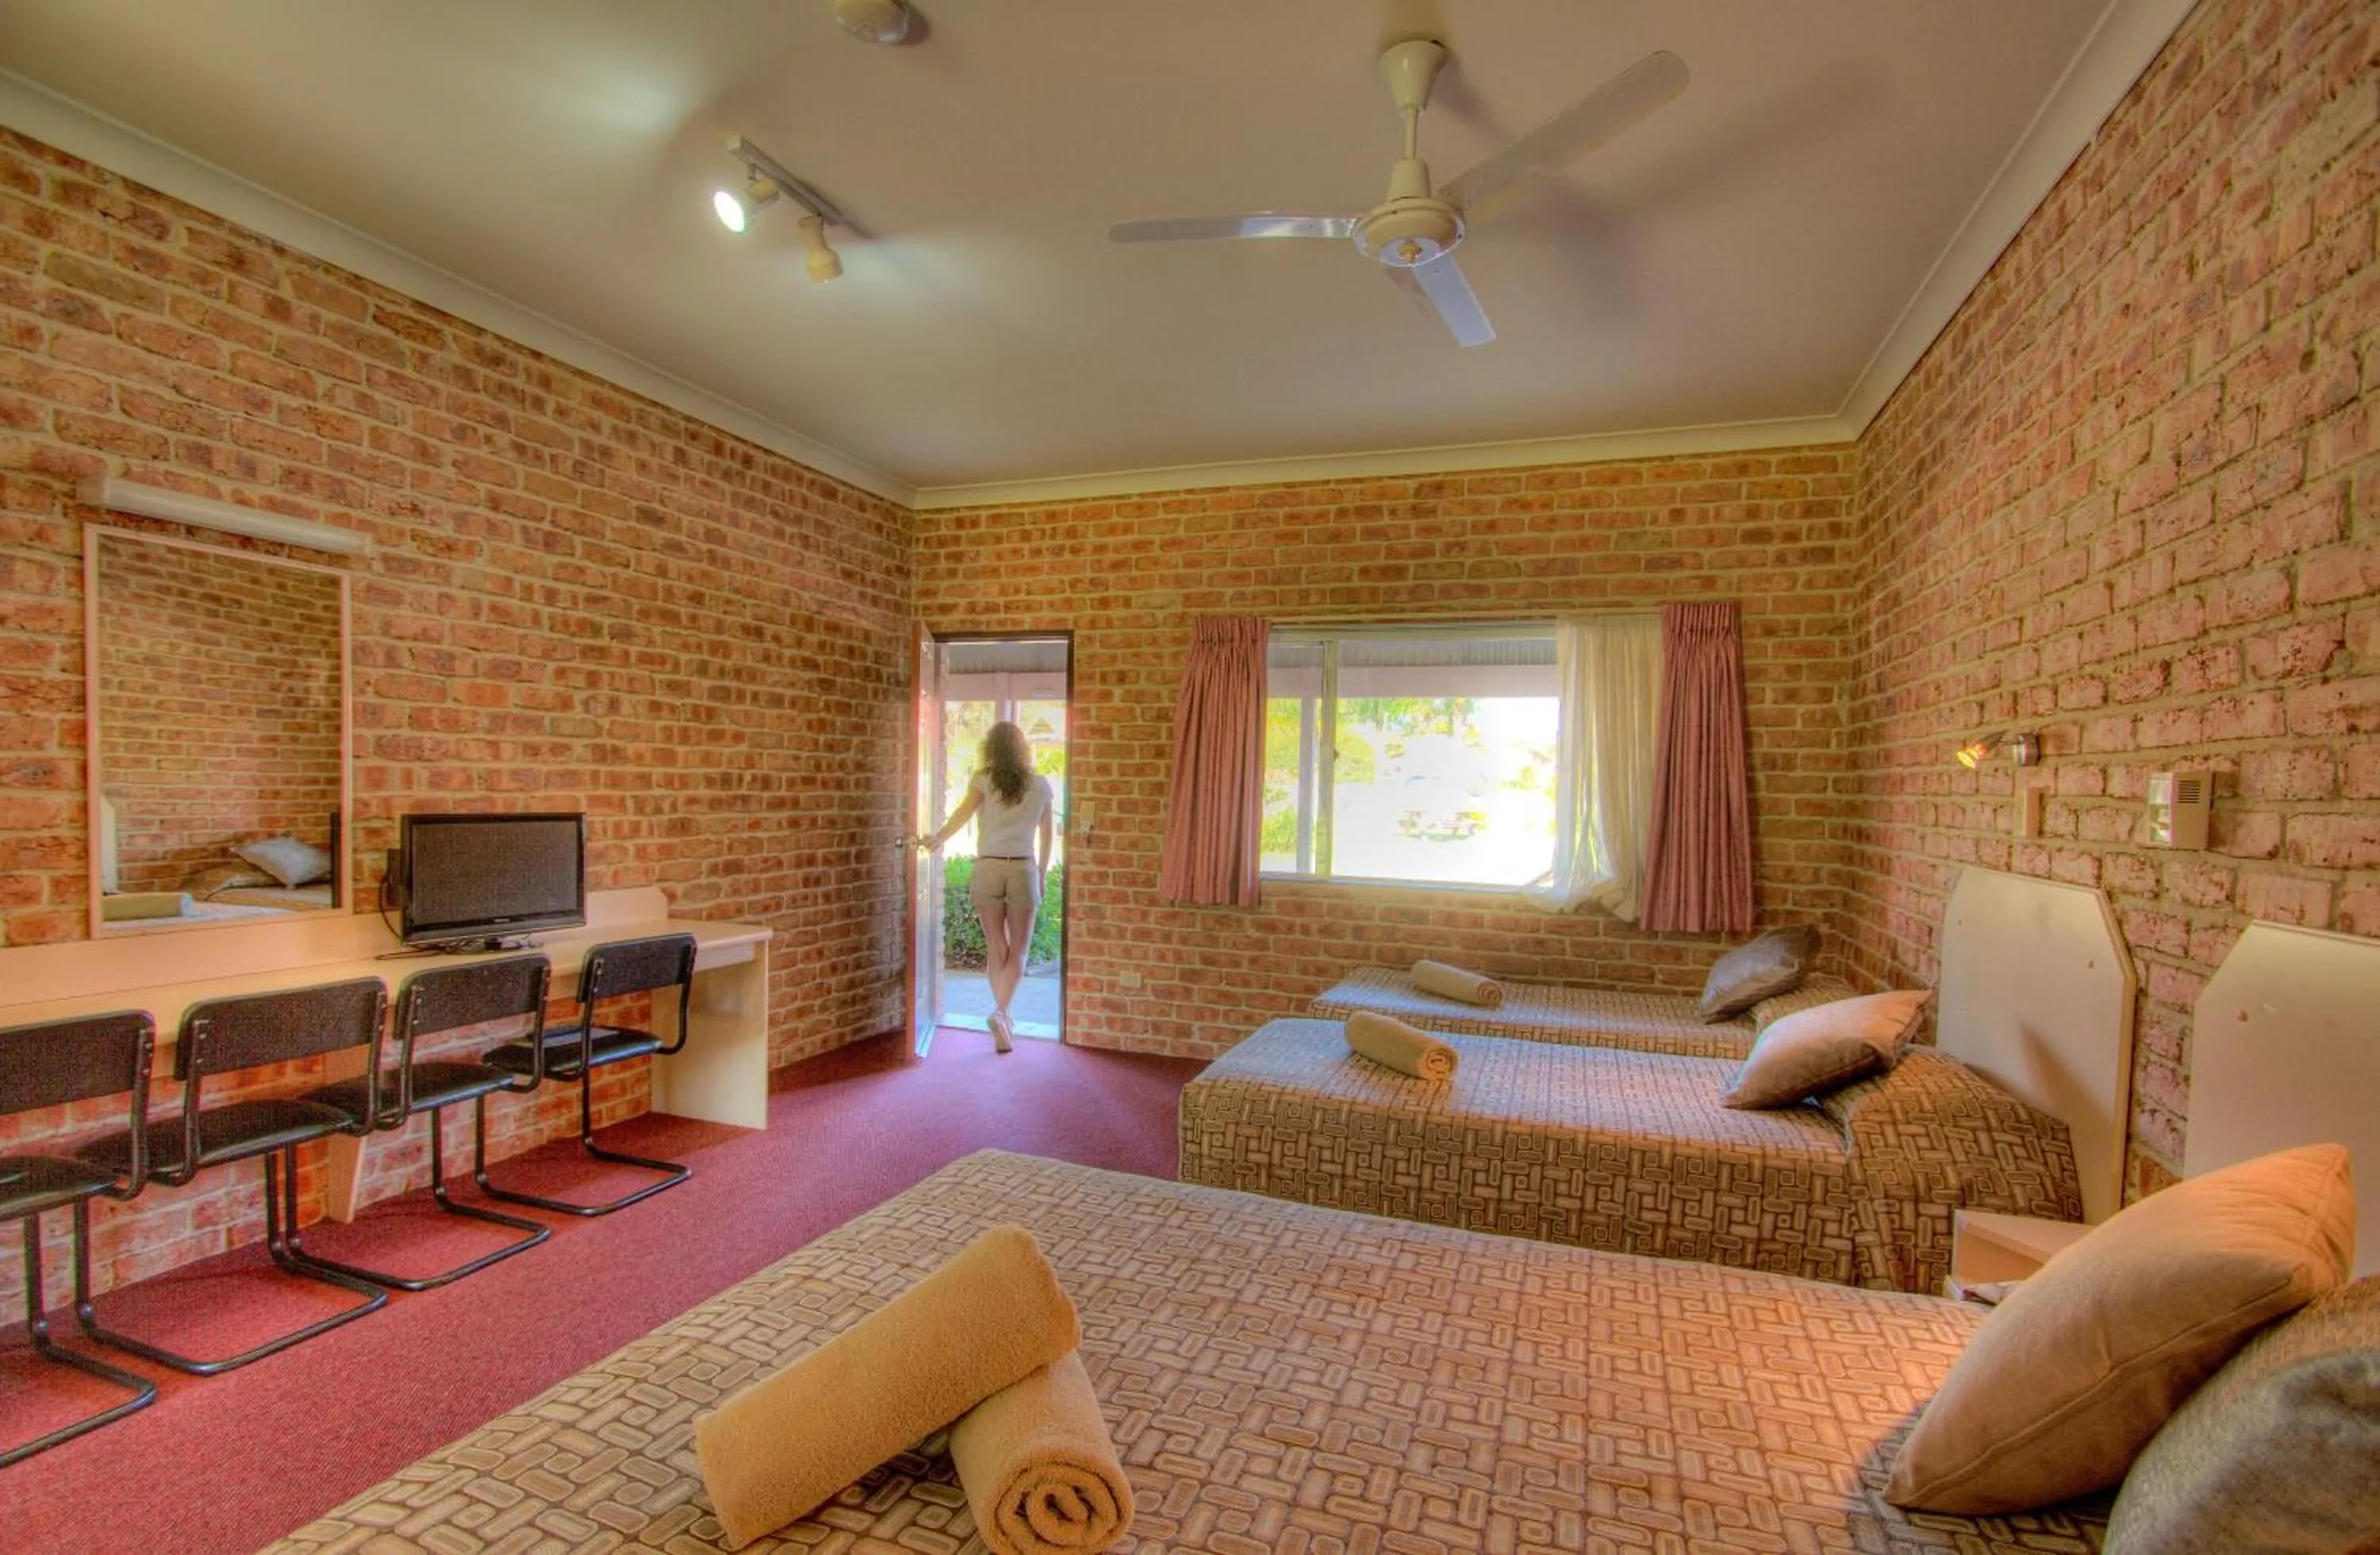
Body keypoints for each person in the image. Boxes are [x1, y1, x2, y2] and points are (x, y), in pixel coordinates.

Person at [915, 720, 1055, 1054]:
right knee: (1019, 950)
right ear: (1023, 749)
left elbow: (961, 815)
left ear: (991, 749)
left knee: (996, 946)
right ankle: (1001, 1013)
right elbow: (1048, 836)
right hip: (1023, 866)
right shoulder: (1040, 785)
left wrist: (937, 839)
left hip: (988, 865)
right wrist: (1044, 873)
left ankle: (1003, 1020)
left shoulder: (984, 780)